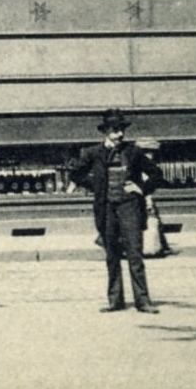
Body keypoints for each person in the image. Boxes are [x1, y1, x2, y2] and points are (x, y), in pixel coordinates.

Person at [70, 107, 162, 313]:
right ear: (105, 132)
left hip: (130, 207)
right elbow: (75, 174)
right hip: (107, 210)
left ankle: (143, 301)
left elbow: (157, 174)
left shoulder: (134, 152)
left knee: (135, 256)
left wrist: (141, 188)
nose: (119, 134)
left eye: (121, 130)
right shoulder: (93, 153)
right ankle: (115, 300)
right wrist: (96, 185)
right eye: (114, 130)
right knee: (112, 256)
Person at [137, 139, 174, 258]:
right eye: (146, 152)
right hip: (141, 198)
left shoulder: (149, 167)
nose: (150, 155)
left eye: (152, 152)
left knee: (153, 221)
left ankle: (161, 245)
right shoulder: (140, 167)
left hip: (145, 197)